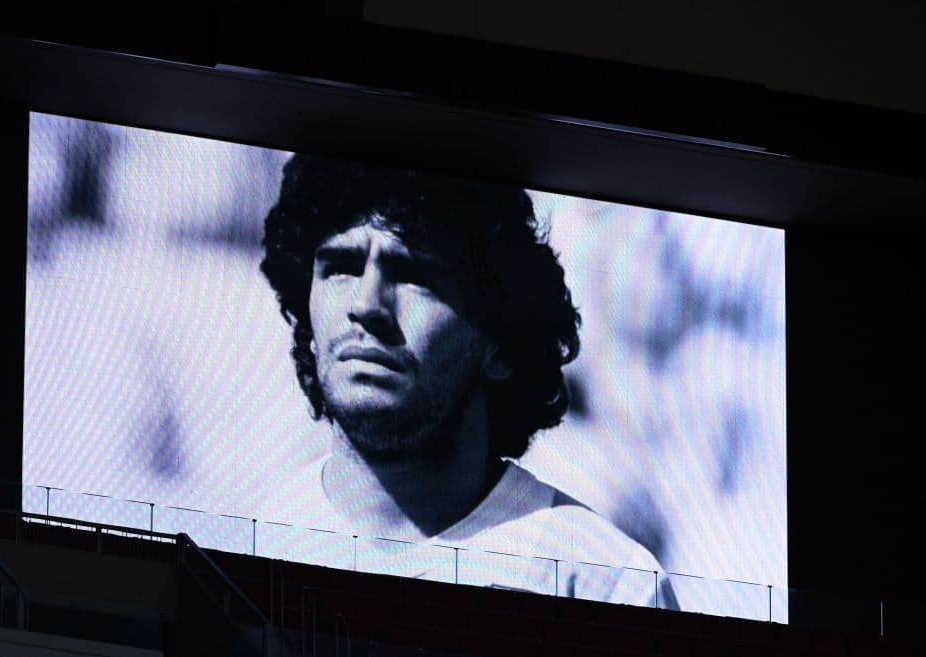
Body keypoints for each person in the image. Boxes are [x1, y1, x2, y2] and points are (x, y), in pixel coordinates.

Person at [260, 154, 677, 608]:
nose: (367, 304)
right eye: (341, 267)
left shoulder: (606, 582)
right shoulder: (264, 533)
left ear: (498, 341)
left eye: (415, 276)